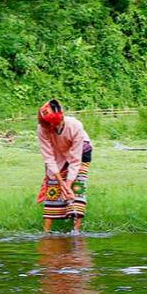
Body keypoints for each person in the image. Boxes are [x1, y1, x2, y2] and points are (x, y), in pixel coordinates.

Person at [37, 99, 93, 233]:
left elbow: (75, 160)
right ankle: (46, 232)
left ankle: (76, 231)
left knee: (77, 188)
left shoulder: (75, 126)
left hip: (81, 153)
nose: (45, 128)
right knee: (53, 187)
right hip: (57, 154)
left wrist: (67, 184)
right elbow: (48, 156)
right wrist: (60, 181)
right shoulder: (42, 129)